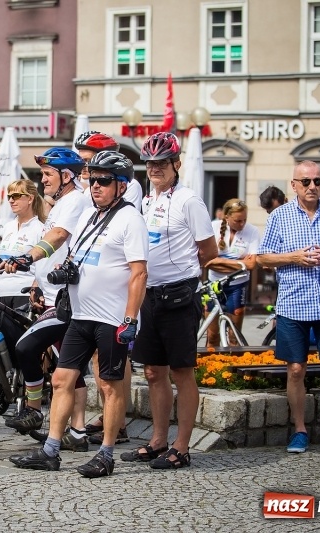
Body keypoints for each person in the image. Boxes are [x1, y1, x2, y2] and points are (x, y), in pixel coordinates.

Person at [9, 150, 148, 478]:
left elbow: (139, 273)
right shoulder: (89, 216)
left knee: (110, 386)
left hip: (112, 319)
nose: (95, 186)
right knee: (61, 379)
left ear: (122, 186)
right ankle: (51, 450)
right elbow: (72, 253)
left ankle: (107, 453)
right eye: (92, 179)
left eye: (104, 181)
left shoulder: (130, 219)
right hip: (81, 315)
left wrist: (130, 319)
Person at [121, 132, 217, 469]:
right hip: (150, 294)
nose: (155, 168)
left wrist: (188, 278)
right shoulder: (145, 202)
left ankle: (182, 446)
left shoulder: (190, 200)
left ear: (176, 164)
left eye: (162, 162)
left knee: (182, 371)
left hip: (179, 294)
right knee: (152, 372)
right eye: (150, 163)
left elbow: (209, 251)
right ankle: (158, 440)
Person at [257, 160, 320, 455]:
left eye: (317, 181)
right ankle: (299, 430)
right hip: (293, 304)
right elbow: (264, 258)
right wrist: (294, 257)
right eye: (306, 182)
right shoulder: (279, 217)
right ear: (294, 185)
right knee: (296, 369)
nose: (313, 186)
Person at [1, 148, 90, 450]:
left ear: (67, 176)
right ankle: (77, 433)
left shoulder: (74, 201)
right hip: (55, 296)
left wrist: (29, 256)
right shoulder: (62, 203)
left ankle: (34, 411)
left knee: (26, 346)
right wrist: (37, 284)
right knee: (69, 368)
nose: (43, 181)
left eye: (48, 174)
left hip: (68, 301)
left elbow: (58, 237)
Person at [73, 130, 137, 445]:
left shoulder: (128, 188)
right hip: (88, 301)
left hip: (114, 298)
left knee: (113, 365)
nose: (88, 175)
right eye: (88, 169)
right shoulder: (90, 190)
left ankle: (118, 422)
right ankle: (110, 418)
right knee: (97, 363)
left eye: (89, 162)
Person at [203, 198, 260, 347]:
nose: (242, 224)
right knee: (212, 336)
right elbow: (206, 262)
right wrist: (240, 264)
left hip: (237, 286)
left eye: (244, 220)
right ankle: (210, 369)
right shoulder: (213, 227)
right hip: (214, 284)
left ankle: (232, 369)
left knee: (234, 337)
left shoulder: (252, 231)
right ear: (226, 217)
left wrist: (220, 261)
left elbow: (252, 264)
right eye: (237, 221)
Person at [0, 180, 45, 309]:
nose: (11, 200)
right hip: (2, 291)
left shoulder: (40, 229)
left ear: (30, 198)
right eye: (9, 197)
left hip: (24, 293)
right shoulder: (8, 227)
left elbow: (43, 266)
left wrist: (36, 289)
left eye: (16, 196)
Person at [75, 130, 143, 207]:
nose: (82, 165)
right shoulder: (88, 190)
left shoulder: (130, 185)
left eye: (88, 160)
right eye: (80, 160)